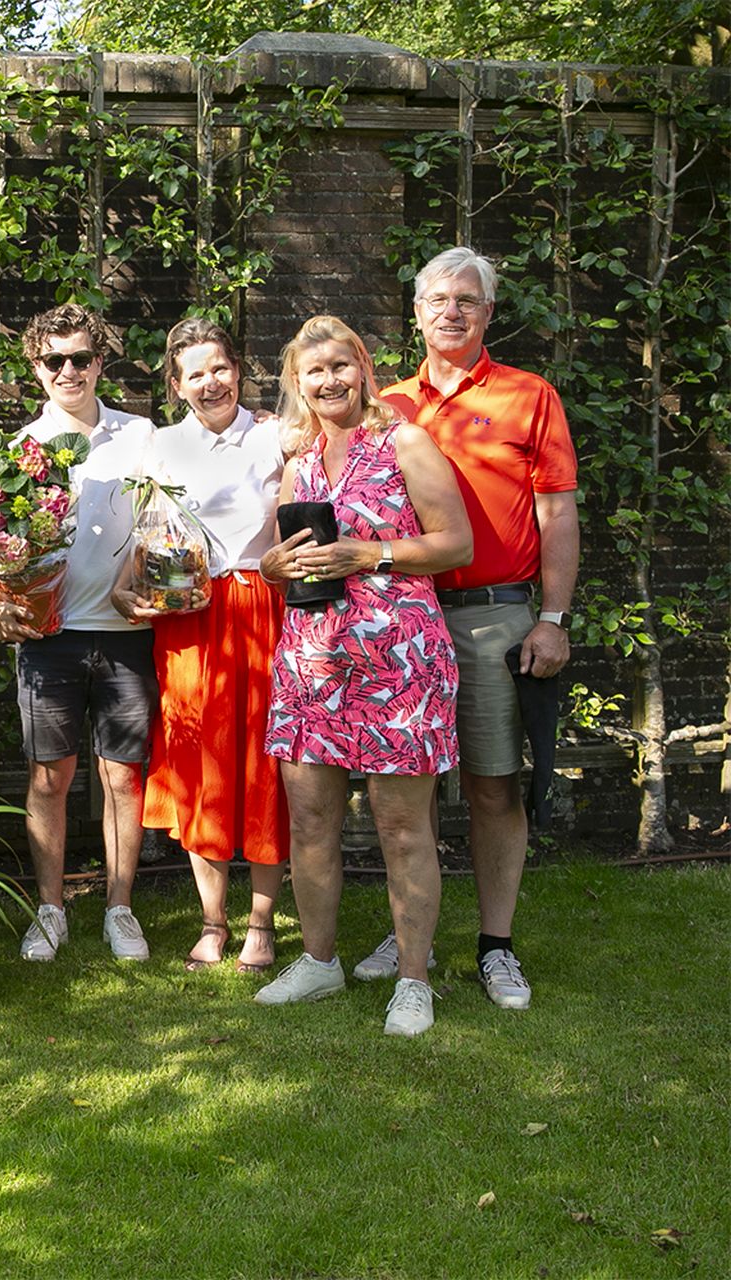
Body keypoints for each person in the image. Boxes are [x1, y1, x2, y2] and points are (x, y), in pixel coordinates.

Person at [372, 246, 581, 1011]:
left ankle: (496, 946)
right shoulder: (386, 405)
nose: (452, 311)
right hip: (405, 614)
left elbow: (558, 514)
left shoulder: (530, 396)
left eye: (468, 299)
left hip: (495, 614)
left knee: (493, 786)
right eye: (438, 299)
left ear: (489, 313)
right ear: (417, 313)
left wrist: (551, 618)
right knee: (409, 790)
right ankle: (411, 935)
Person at [253, 315, 472, 1038]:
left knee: (402, 825)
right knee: (311, 818)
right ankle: (319, 961)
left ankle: (413, 979)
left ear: (363, 369)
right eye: (313, 371)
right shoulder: (300, 462)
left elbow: (455, 543)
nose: (329, 381)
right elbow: (285, 559)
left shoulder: (405, 442)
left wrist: (369, 554)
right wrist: (273, 566)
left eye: (340, 366)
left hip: (398, 661)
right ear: (297, 382)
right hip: (312, 662)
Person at [0, 305, 156, 964]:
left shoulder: (141, 434)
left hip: (127, 630)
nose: (69, 370)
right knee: (49, 778)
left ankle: (119, 908)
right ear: (36, 366)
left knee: (123, 779)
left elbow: (164, 520)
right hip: (49, 634)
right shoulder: (18, 448)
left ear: (101, 361)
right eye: (55, 360)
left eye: (81, 357)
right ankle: (50, 910)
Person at [116, 318, 289, 972]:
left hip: (263, 610)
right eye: (195, 373)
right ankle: (213, 920)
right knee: (197, 760)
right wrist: (127, 587)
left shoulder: (275, 435)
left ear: (238, 369)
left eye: (220, 367)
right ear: (176, 384)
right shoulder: (159, 446)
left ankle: (262, 924)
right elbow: (146, 530)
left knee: (266, 760)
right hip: (187, 616)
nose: (211, 382)